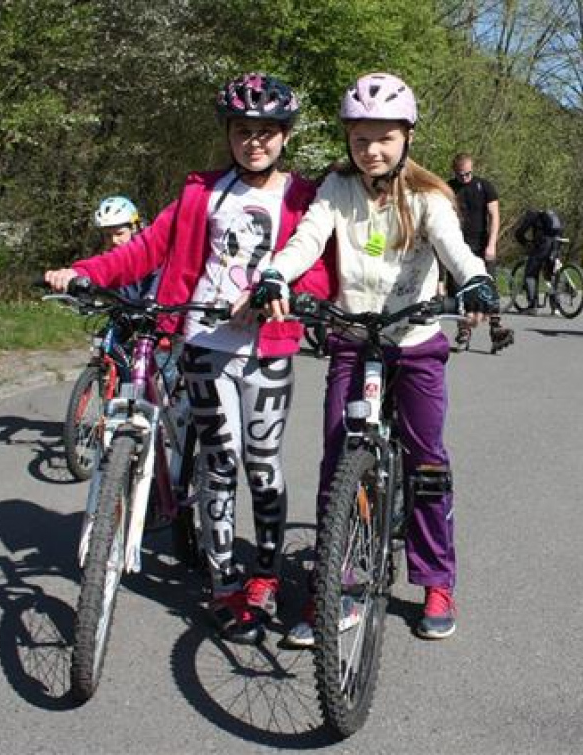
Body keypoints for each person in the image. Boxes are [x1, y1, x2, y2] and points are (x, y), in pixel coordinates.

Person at [45, 73, 332, 644]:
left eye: (268, 132)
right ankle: (226, 582)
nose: (256, 141)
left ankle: (266, 575)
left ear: (285, 136)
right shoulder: (203, 191)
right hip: (203, 343)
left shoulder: (303, 196)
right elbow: (146, 248)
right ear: (228, 133)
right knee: (221, 462)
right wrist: (82, 273)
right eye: (244, 130)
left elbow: (319, 267)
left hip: (266, 348)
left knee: (264, 465)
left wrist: (303, 298)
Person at [247, 72, 501, 644]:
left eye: (384, 138)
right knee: (338, 462)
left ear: (407, 136)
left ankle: (437, 581)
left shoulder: (430, 197)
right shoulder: (336, 190)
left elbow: (458, 252)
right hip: (350, 336)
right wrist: (274, 275)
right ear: (348, 140)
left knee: (427, 463)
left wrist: (477, 283)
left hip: (413, 341)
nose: (372, 150)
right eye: (361, 139)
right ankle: (333, 588)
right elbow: (306, 240)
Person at [447, 153, 513, 352]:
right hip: (458, 247)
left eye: (468, 174)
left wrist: (492, 244)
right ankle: (464, 330)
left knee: (488, 288)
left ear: (472, 170)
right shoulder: (448, 188)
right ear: (455, 172)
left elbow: (494, 215)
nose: (465, 178)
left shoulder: (484, 186)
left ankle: (496, 329)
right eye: (460, 175)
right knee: (460, 290)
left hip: (482, 246)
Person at [514, 207, 564, 315]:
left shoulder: (532, 215)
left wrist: (526, 243)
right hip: (557, 244)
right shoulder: (552, 214)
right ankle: (555, 307)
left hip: (543, 245)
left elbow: (520, 232)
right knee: (552, 274)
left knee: (530, 274)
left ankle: (533, 306)